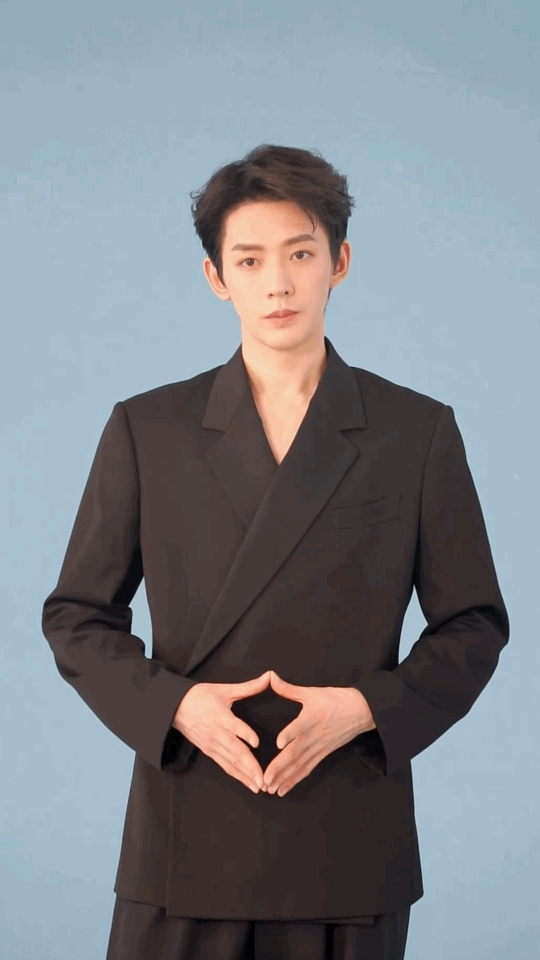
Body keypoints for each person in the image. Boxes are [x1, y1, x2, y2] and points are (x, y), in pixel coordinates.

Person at [42, 143, 509, 960]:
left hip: (347, 834)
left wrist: (366, 709)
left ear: (340, 263)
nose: (278, 284)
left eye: (300, 254)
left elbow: (474, 624)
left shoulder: (416, 432)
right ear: (216, 278)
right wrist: (174, 708)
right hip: (186, 827)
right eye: (250, 260)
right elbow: (77, 616)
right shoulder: (148, 429)